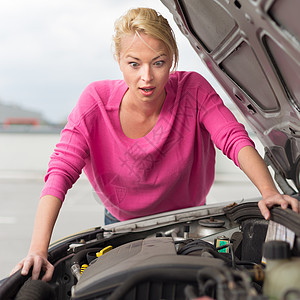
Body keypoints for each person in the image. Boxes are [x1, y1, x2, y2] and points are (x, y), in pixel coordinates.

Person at [11, 7, 299, 282]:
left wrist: (269, 191)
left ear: (172, 59)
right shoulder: (94, 103)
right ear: (119, 60)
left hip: (192, 219)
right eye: (134, 64)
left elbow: (233, 138)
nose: (146, 77)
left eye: (158, 62)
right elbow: (60, 172)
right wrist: (38, 249)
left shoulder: (192, 90)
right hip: (121, 224)